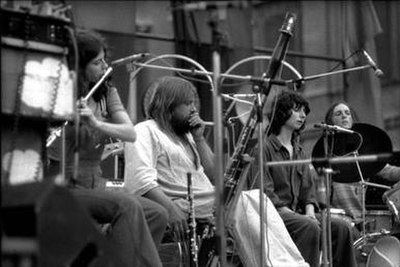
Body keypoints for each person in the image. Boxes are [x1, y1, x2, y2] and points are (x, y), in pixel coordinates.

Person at [124, 76, 309, 267]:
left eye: (194, 103)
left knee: (257, 197)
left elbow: (214, 175)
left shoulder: (187, 137)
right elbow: (139, 181)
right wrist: (171, 210)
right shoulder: (145, 130)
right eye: (188, 104)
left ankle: (294, 263)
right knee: (240, 202)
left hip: (207, 200)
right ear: (170, 105)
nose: (194, 109)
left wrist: (200, 139)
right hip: (184, 202)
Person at [46, 28, 167, 267]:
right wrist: (64, 117)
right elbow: (52, 155)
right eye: (96, 62)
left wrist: (95, 122)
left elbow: (130, 132)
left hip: (96, 183)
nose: (104, 67)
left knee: (157, 213)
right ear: (79, 65)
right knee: (127, 205)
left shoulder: (106, 93)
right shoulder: (56, 96)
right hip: (65, 187)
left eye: (104, 60)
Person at [250, 90, 357, 267]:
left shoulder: (299, 150)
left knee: (342, 227)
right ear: (282, 113)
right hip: (275, 215)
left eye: (304, 111)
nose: (303, 115)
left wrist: (309, 212)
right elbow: (265, 193)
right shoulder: (263, 149)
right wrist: (300, 217)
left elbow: (308, 191)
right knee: (309, 227)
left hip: (298, 215)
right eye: (297, 110)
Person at [324, 101, 400, 225]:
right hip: (338, 221)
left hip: (361, 220)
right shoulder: (325, 156)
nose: (344, 116)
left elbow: (388, 172)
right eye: (338, 113)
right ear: (330, 123)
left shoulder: (362, 153)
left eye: (347, 113)